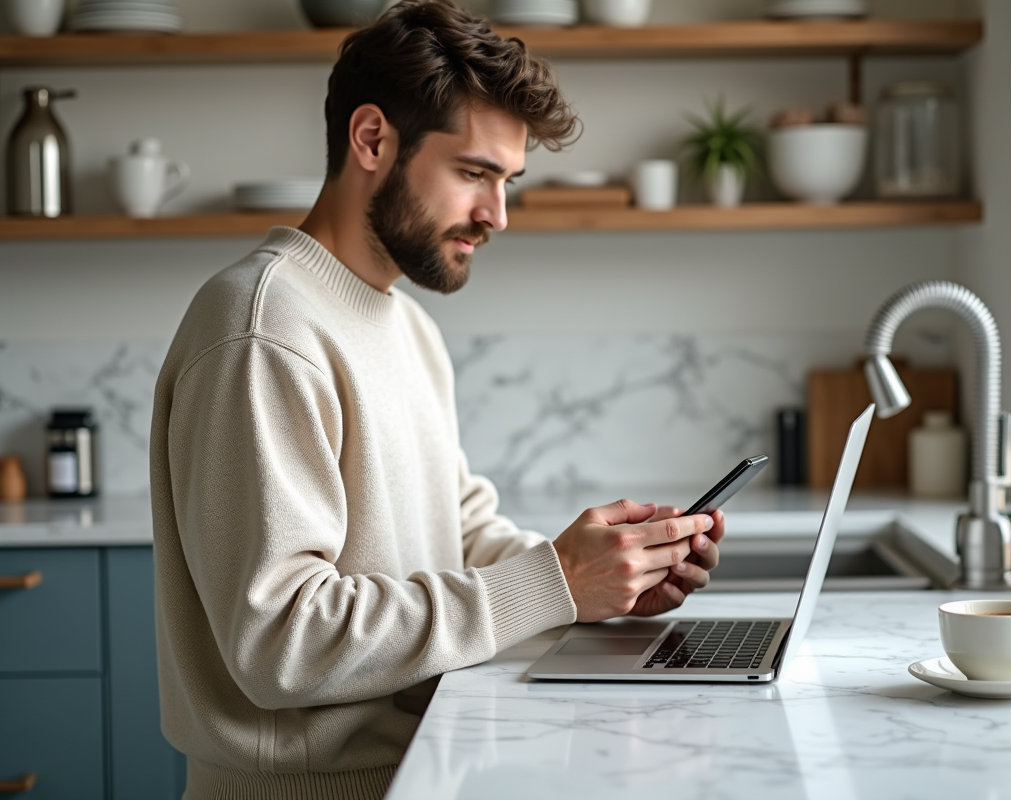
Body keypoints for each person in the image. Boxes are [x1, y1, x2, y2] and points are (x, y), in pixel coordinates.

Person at [149, 2, 724, 797]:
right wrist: (553, 582)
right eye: (474, 173)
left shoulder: (404, 325)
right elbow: (281, 642)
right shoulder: (263, 331)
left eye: (508, 181)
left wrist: (601, 585)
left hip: (421, 769)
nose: (498, 215)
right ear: (373, 140)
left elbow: (459, 534)